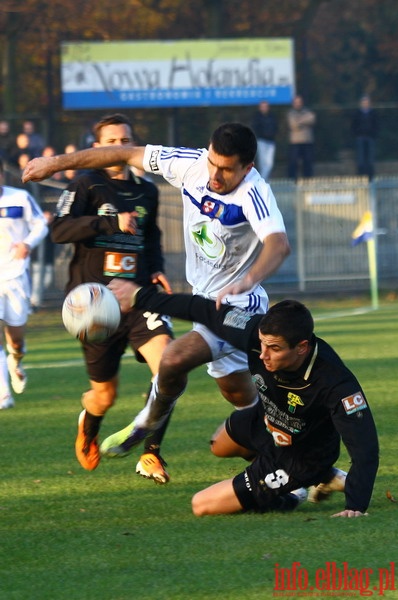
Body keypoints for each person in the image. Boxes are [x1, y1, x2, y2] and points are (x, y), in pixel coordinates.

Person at [22, 123, 291, 481]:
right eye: (213, 163)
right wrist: (55, 163)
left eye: (227, 169)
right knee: (240, 396)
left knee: (173, 358)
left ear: (248, 167)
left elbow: (278, 244)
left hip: (238, 306)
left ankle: (145, 427)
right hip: (200, 304)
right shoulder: (190, 165)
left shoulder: (255, 193)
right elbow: (122, 154)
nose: (215, 175)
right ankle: (298, 465)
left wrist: (246, 280)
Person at [108, 282, 380, 518]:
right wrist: (139, 297)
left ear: (302, 348)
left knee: (201, 505)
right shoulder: (253, 332)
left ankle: (292, 494)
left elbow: (365, 449)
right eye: (262, 344)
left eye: (274, 349)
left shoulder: (336, 384)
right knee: (219, 446)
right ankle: (328, 477)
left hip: (301, 457)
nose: (263, 355)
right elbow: (200, 309)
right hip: (266, 423)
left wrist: (355, 506)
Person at [48, 113, 174, 481]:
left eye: (125, 141)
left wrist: (155, 266)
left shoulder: (147, 190)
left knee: (169, 366)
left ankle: (150, 453)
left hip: (137, 297)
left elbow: (150, 236)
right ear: (97, 146)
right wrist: (108, 222)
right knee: (104, 396)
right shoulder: (85, 183)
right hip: (95, 306)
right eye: (112, 141)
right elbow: (59, 229)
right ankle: (89, 422)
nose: (120, 147)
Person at [0, 158, 48, 409]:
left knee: (15, 338)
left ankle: (15, 360)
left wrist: (27, 243)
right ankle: (3, 392)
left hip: (16, 275)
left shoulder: (19, 198)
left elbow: (41, 224)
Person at [30, 210, 55, 310]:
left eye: (49, 218)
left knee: (47, 280)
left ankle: (36, 299)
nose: (47, 219)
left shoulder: (51, 229)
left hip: (48, 259)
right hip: (37, 259)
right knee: (36, 281)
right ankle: (34, 303)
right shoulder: (37, 227)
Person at [287, 95, 316, 180]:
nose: (298, 104)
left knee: (308, 162)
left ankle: (308, 180)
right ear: (293, 103)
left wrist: (299, 121)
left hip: (307, 141)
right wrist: (304, 122)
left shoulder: (307, 111)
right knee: (293, 162)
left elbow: (312, 119)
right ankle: (292, 181)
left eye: (299, 102)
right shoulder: (290, 113)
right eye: (296, 102)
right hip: (295, 142)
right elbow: (293, 125)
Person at [351, 95, 379, 181]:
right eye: (364, 102)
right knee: (361, 158)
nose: (365, 104)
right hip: (360, 137)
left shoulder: (373, 113)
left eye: (367, 102)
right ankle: (361, 176)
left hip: (370, 137)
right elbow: (353, 125)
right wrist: (357, 134)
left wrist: (373, 134)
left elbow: (376, 125)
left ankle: (370, 176)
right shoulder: (357, 114)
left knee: (370, 158)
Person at [251, 100, 278, 181]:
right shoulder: (257, 117)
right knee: (263, 163)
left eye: (265, 106)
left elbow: (276, 127)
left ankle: (262, 180)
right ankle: (264, 181)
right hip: (261, 141)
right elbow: (255, 127)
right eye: (263, 106)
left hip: (271, 142)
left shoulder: (272, 116)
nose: (264, 108)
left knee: (269, 164)